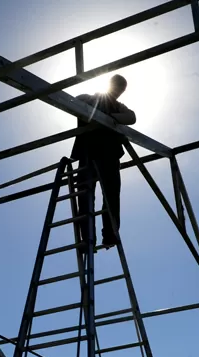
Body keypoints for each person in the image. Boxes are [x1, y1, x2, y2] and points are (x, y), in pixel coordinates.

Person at [69, 74, 136, 250]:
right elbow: (72, 103)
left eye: (121, 89)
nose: (118, 91)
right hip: (88, 152)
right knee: (85, 196)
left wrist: (110, 117)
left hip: (109, 155)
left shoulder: (119, 106)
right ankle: (86, 240)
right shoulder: (89, 98)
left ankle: (110, 234)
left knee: (111, 195)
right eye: (117, 86)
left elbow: (131, 117)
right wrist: (100, 114)